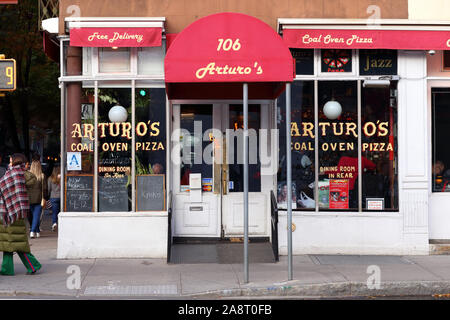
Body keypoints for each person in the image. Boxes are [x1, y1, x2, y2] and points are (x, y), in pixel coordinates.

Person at [0, 153, 41, 275]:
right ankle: (7, 269)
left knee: (17, 244)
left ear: (16, 161)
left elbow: (31, 179)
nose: (10, 161)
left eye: (11, 159)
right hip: (15, 212)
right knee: (9, 243)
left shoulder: (14, 173)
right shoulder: (19, 174)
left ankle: (33, 265)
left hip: (9, 213)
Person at [28, 159, 47, 238]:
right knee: (36, 216)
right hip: (39, 198)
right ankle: (33, 231)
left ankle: (36, 230)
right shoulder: (42, 176)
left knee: (32, 216)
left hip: (28, 198)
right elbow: (45, 189)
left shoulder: (27, 175)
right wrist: (46, 197)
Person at [47, 166, 61, 231]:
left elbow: (49, 189)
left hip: (53, 197)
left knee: (54, 212)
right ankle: (61, 224)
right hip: (61, 197)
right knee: (61, 212)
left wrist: (48, 196)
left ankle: (54, 223)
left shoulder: (50, 179)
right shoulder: (62, 178)